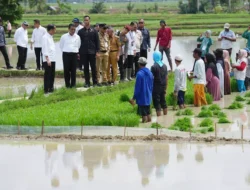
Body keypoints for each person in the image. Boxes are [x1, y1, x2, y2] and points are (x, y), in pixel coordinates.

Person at [78, 16, 100, 88]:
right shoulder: (80, 31)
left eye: (87, 20)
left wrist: (97, 52)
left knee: (93, 67)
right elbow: (78, 42)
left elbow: (97, 42)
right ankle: (87, 82)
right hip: (83, 52)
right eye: (84, 20)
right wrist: (78, 52)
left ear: (89, 21)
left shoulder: (94, 31)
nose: (86, 21)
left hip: (92, 52)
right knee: (86, 68)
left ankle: (95, 82)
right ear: (83, 21)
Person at [129, 57, 153, 123]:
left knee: (144, 115)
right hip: (148, 96)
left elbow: (137, 88)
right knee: (148, 113)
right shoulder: (150, 73)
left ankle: (144, 128)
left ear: (139, 64)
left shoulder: (139, 74)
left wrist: (133, 98)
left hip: (142, 98)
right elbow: (152, 85)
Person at [60, 24, 81, 88]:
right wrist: (66, 51)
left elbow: (78, 45)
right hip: (66, 54)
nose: (73, 31)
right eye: (72, 29)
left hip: (74, 54)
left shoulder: (77, 37)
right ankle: (67, 85)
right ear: (68, 29)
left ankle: (73, 85)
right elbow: (61, 46)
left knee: (73, 70)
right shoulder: (64, 36)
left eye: (74, 29)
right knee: (66, 70)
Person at [151, 51, 168, 116]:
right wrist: (166, 87)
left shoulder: (153, 67)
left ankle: (159, 118)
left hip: (156, 87)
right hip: (163, 86)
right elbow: (166, 77)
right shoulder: (165, 66)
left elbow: (151, 78)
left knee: (157, 103)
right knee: (163, 101)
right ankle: (165, 117)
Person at [42, 24, 56, 94]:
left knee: (52, 74)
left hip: (53, 58)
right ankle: (46, 90)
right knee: (47, 75)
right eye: (54, 29)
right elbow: (45, 49)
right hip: (48, 59)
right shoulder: (45, 37)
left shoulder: (51, 37)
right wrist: (48, 59)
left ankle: (51, 88)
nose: (55, 31)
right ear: (51, 30)